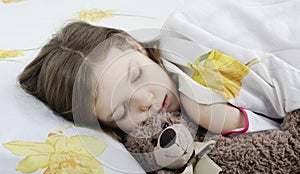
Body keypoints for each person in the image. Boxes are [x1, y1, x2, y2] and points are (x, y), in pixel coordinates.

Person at [18, 21, 291, 138]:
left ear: (135, 45)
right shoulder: (160, 143)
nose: (146, 99)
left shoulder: (187, 43)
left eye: (136, 74)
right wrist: (230, 120)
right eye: (121, 110)